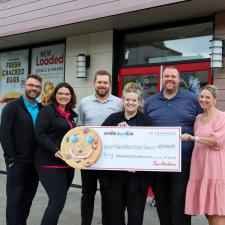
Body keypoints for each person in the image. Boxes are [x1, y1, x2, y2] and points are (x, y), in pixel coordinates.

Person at [144, 66, 202, 225]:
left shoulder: (192, 99)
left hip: (184, 161)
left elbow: (203, 122)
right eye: (166, 76)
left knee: (180, 200)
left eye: (173, 77)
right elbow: (143, 128)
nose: (169, 79)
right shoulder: (150, 102)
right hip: (157, 162)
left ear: (178, 79)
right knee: (161, 200)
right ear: (162, 78)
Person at [99, 82, 153, 225]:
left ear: (139, 102)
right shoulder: (113, 119)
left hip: (137, 179)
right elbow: (100, 141)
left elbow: (152, 148)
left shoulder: (146, 121)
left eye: (134, 100)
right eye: (127, 99)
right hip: (114, 178)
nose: (130, 103)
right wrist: (114, 132)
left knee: (135, 217)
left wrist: (131, 132)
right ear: (123, 101)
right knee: (115, 216)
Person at [77, 70, 122, 225]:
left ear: (110, 84)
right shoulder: (84, 103)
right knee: (87, 193)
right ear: (94, 83)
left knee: (107, 194)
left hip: (109, 158)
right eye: (99, 82)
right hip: (88, 156)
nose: (102, 85)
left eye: (105, 82)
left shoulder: (119, 103)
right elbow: (80, 127)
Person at [0, 74, 42, 225]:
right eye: (31, 85)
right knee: (14, 201)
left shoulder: (42, 109)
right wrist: (11, 159)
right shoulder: (12, 107)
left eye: (37, 86)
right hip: (17, 163)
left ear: (40, 89)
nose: (34, 88)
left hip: (35, 164)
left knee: (27, 201)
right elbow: (4, 134)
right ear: (24, 87)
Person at [34, 82, 77, 225]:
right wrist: (55, 150)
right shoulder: (47, 111)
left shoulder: (71, 114)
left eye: (67, 94)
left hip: (67, 164)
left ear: (71, 97)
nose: (63, 96)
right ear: (55, 95)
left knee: (58, 202)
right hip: (49, 163)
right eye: (60, 93)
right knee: (57, 201)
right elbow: (39, 134)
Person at [182, 85, 225, 225]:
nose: (204, 99)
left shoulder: (222, 116)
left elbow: (215, 142)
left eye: (207, 97)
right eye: (201, 96)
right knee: (209, 211)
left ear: (214, 100)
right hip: (200, 166)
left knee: (217, 211)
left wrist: (195, 138)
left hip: (214, 166)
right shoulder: (198, 118)